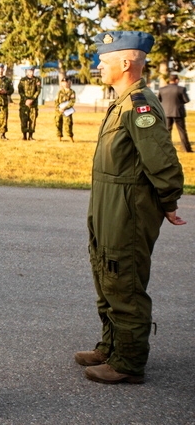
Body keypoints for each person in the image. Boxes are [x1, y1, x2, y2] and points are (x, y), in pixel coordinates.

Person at [76, 30, 185, 385]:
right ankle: (111, 346)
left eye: (104, 61)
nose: (98, 67)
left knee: (124, 279)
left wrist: (168, 201)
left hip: (128, 208)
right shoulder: (122, 102)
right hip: (109, 205)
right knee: (106, 272)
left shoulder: (140, 104)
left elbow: (162, 161)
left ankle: (129, 361)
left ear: (125, 63)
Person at [157, 73, 192, 153]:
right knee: (182, 131)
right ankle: (186, 149)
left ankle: (165, 148)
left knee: (167, 131)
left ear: (169, 80)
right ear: (176, 80)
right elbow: (186, 100)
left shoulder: (162, 89)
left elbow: (159, 100)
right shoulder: (181, 89)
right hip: (178, 112)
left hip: (166, 113)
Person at [18, 66, 42, 140]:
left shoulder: (37, 80)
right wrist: (26, 99)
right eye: (29, 71)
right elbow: (20, 91)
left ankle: (31, 136)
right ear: (27, 71)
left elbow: (38, 91)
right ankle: (24, 135)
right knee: (23, 119)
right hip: (24, 103)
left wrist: (32, 99)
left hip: (33, 104)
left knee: (32, 119)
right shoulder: (22, 80)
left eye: (32, 71)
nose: (31, 72)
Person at [54, 78, 76, 142]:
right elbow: (56, 101)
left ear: (69, 83)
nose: (64, 83)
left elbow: (72, 101)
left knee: (68, 124)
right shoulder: (60, 92)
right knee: (58, 123)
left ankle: (70, 137)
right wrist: (59, 108)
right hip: (59, 111)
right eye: (63, 82)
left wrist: (65, 108)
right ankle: (59, 137)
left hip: (67, 111)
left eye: (66, 82)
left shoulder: (72, 92)